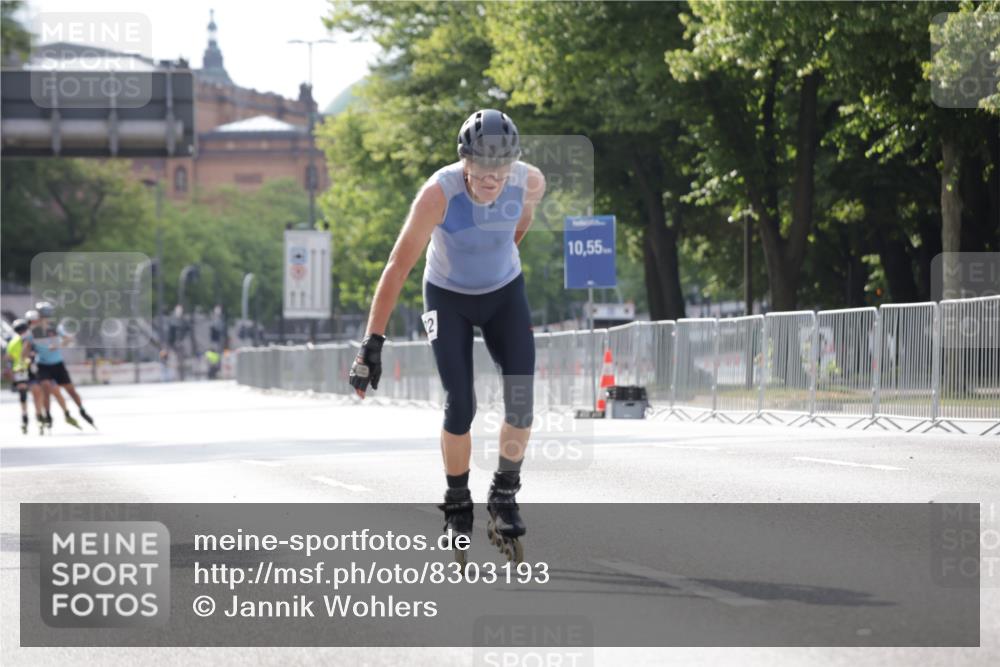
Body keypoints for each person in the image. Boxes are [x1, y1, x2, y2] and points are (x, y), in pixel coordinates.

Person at [349, 109, 545, 563]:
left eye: (502, 168)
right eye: (482, 168)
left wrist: (498, 261)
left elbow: (520, 226)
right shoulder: (438, 194)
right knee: (461, 401)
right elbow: (398, 267)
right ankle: (458, 504)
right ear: (465, 162)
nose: (492, 178)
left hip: (503, 293)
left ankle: (504, 493)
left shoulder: (529, 181)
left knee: (521, 399)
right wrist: (371, 343)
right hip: (447, 296)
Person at [30, 302, 94, 430]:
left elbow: (68, 339)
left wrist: (58, 345)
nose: (45, 318)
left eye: (46, 315)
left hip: (57, 364)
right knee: (46, 388)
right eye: (43, 315)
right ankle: (48, 414)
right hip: (43, 365)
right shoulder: (33, 331)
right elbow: (26, 347)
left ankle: (82, 410)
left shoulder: (55, 328)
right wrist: (26, 357)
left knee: (70, 391)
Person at [6, 319, 45, 434]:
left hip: (19, 370)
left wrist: (11, 372)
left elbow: (9, 358)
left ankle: (25, 417)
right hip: (29, 368)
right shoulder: (29, 339)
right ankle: (39, 416)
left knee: (23, 395)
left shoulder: (12, 341)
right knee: (36, 393)